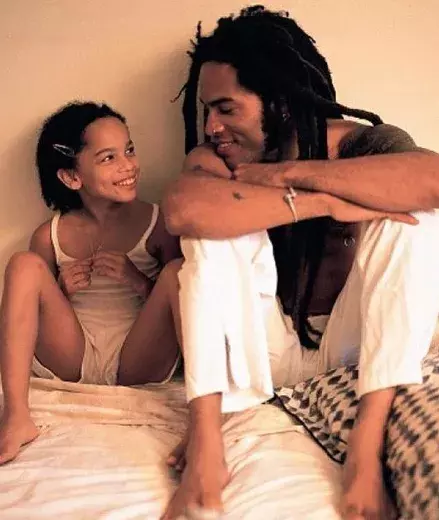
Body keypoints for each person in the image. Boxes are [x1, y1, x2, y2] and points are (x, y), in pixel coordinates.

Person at [161, 5, 439, 520]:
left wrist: (287, 174)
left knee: (416, 215)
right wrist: (323, 203)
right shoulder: (219, 157)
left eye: (226, 109)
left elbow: (433, 179)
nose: (212, 127)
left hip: (353, 347)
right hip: (268, 350)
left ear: (281, 104)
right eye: (207, 111)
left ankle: (366, 446)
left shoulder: (361, 144)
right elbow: (182, 211)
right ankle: (205, 439)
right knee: (206, 231)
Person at [0, 101, 183, 465]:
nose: (128, 165)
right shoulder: (50, 234)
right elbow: (37, 313)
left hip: (138, 359)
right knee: (23, 265)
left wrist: (138, 281)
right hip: (73, 356)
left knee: (180, 271)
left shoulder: (158, 223)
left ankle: (208, 415)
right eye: (108, 158)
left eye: (129, 150)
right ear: (72, 177)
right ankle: (16, 415)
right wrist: (61, 291)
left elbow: (179, 302)